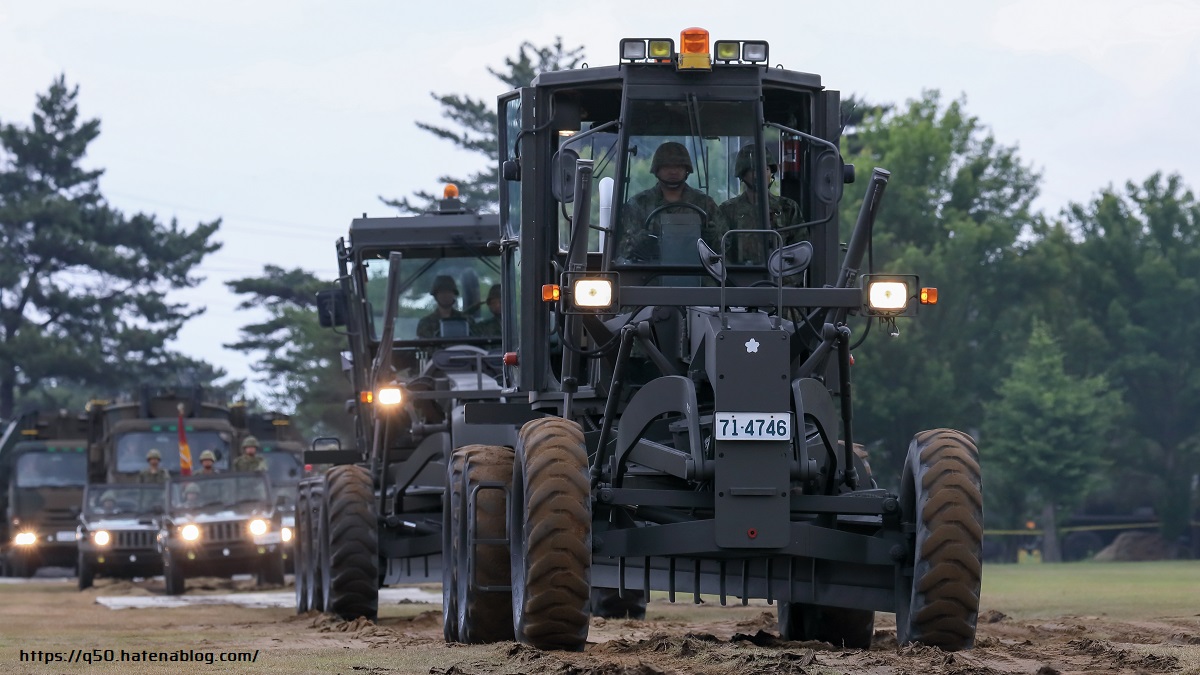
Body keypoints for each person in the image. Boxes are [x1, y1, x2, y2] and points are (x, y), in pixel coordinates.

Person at [617, 141, 720, 262]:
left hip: (699, 273)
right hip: (648, 275)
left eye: (678, 166)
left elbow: (725, 247)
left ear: (686, 170)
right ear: (657, 170)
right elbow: (621, 249)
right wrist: (638, 242)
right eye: (667, 167)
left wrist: (712, 238)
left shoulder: (704, 203)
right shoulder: (639, 204)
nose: (673, 171)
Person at [715, 143, 803, 265]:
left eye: (765, 169)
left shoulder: (788, 208)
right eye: (753, 170)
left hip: (779, 281)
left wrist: (785, 281)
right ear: (742, 174)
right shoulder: (728, 210)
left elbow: (800, 253)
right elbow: (720, 253)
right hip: (737, 281)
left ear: (771, 172)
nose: (759, 174)